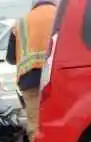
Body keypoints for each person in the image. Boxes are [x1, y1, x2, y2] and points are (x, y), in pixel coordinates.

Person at [8, 0, 58, 132]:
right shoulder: (61, 17)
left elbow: (11, 58)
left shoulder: (20, 24)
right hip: (57, 79)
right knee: (60, 122)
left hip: (30, 81)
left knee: (36, 125)